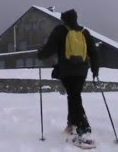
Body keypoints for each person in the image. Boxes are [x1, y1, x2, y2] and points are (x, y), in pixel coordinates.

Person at [37, 9, 99, 137]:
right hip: (82, 70)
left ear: (64, 19)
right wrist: (95, 70)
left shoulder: (60, 30)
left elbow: (50, 48)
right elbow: (93, 52)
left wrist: (40, 55)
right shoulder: (84, 32)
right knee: (74, 95)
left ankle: (83, 126)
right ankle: (72, 123)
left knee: (74, 96)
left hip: (67, 71)